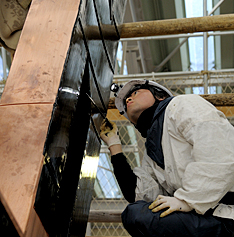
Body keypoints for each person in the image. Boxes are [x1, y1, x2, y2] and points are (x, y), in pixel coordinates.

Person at [100, 79, 234, 237]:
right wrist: (114, 143)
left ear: (160, 96)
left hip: (227, 216)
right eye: (127, 99)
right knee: (135, 215)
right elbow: (137, 194)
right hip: (204, 219)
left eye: (135, 93)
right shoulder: (153, 152)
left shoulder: (182, 105)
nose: (128, 99)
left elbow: (219, 153)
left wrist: (185, 200)